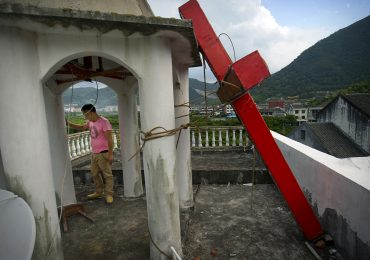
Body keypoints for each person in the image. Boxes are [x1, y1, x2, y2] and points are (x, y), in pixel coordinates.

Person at [66, 104, 114, 204]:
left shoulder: (104, 122)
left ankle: (109, 194)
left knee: (107, 175)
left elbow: (110, 139)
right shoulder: (90, 122)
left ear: (91, 112)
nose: (85, 117)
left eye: (86, 114)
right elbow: (82, 127)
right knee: (94, 173)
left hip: (103, 152)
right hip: (94, 153)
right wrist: (68, 123)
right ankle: (99, 192)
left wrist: (110, 154)